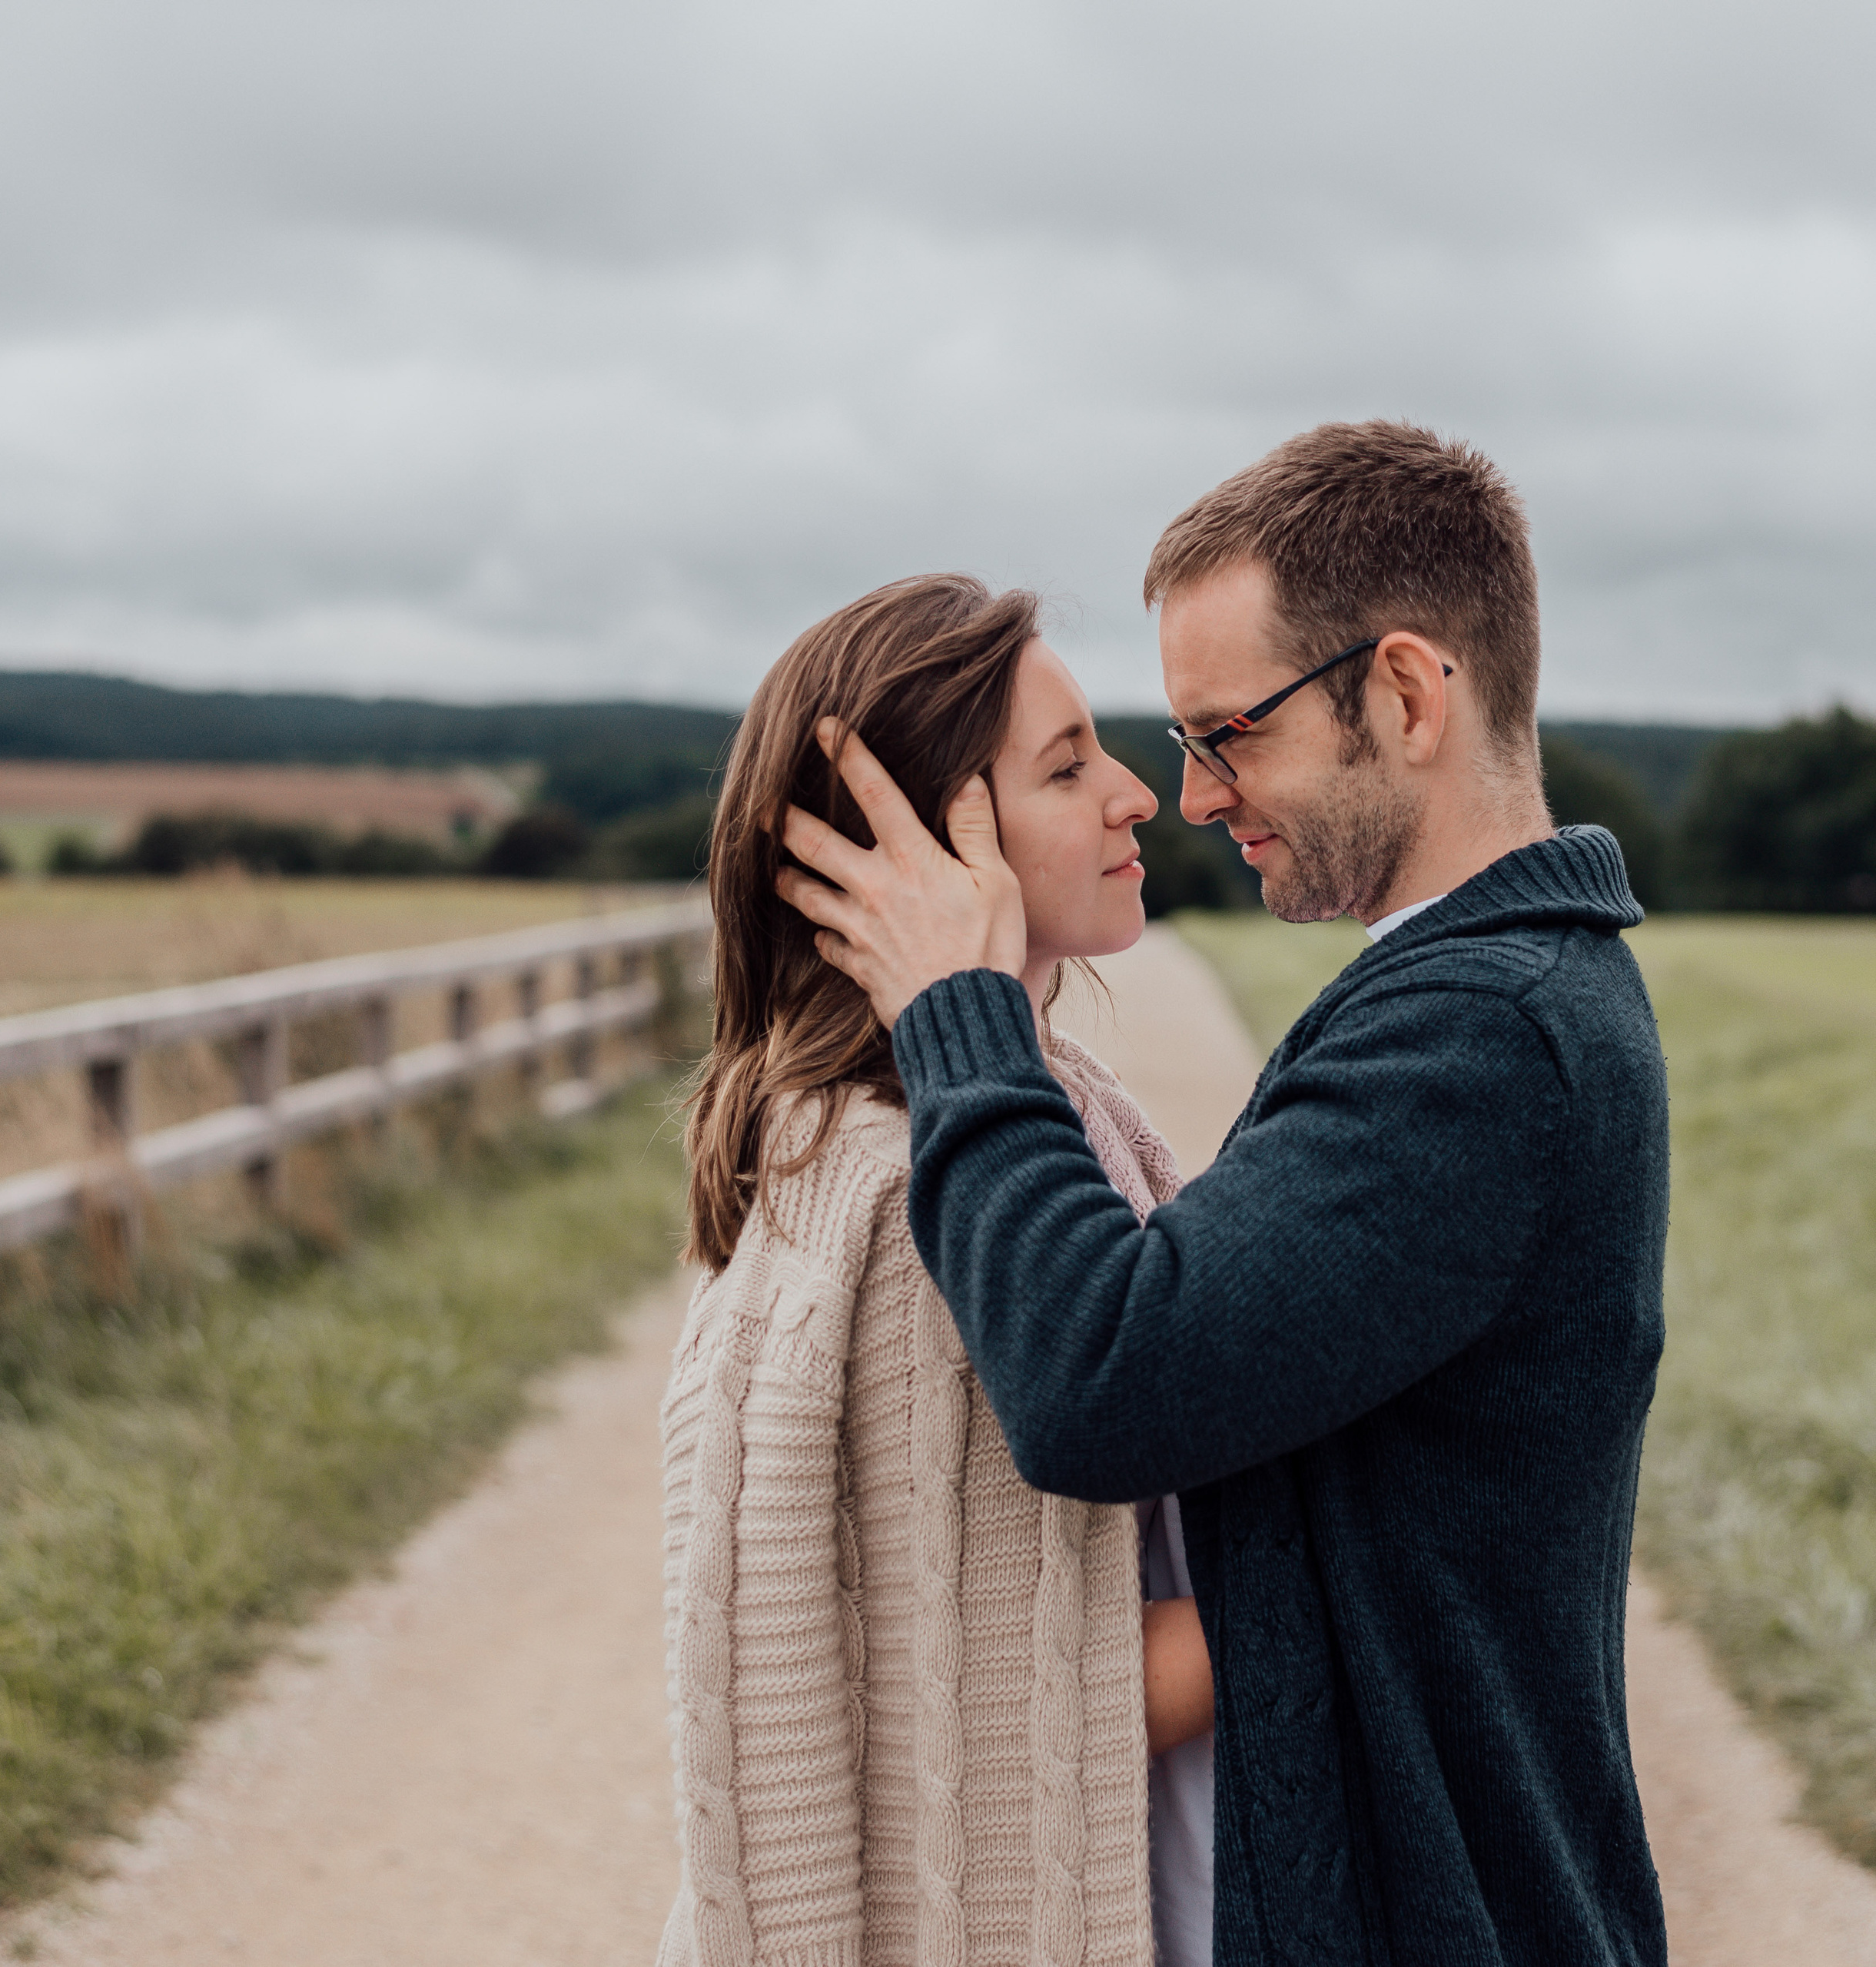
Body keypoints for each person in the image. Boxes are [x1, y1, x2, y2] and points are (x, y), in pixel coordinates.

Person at [776, 421, 1671, 1965]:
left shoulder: (1480, 1031)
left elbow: (1101, 1379)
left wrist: (956, 1017)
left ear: (1401, 694)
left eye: (1225, 731)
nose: (1189, 796)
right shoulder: (1481, 993)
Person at [658, 572, 1217, 1967]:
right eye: (1068, 765)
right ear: (923, 841)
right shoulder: (914, 1199)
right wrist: (1381, 1567)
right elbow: (1010, 1704)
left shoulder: (1055, 1107)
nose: (1136, 795)